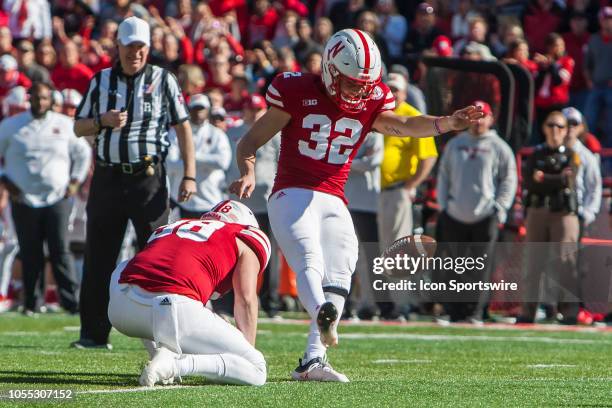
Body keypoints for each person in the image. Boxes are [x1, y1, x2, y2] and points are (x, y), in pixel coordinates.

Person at [230, 28, 483, 382]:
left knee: (342, 267)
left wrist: (447, 123)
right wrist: (248, 171)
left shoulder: (371, 97)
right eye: (352, 82)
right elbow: (250, 142)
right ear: (332, 70)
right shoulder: (297, 90)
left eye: (365, 84)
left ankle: (312, 359)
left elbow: (405, 125)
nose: (360, 90)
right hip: (292, 191)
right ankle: (322, 313)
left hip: (333, 196)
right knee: (309, 259)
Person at [72, 16, 196, 349]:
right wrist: (102, 121)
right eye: (129, 47)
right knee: (99, 257)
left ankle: (165, 335)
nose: (135, 54)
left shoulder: (163, 80)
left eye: (141, 47)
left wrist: (189, 174)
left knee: (157, 256)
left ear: (148, 47)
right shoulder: (100, 81)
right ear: (119, 47)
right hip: (109, 177)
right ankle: (93, 335)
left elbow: (183, 127)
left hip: (149, 179)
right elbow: (78, 127)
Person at [108, 200, 270, 387]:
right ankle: (176, 365)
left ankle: (159, 353)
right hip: (172, 309)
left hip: (121, 311)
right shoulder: (244, 234)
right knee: (256, 369)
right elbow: (246, 299)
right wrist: (245, 352)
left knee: (126, 268)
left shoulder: (173, 226)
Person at [0, 81, 91, 315]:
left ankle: (71, 302)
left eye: (44, 98)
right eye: (36, 98)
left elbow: (83, 153)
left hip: (57, 198)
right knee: (30, 251)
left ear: (51, 100)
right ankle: (31, 302)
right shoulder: (11, 126)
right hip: (23, 199)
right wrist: (5, 180)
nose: (40, 102)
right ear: (28, 98)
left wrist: (74, 182)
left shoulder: (64, 124)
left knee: (60, 250)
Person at [436, 101, 517, 322]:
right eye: (476, 116)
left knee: (480, 267)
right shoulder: (456, 144)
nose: (479, 121)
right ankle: (453, 311)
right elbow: (444, 175)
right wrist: (444, 205)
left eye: (484, 116)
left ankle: (474, 312)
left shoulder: (499, 147)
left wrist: (499, 208)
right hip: (455, 213)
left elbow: (508, 180)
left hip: (484, 215)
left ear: (491, 119)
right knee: (453, 265)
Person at [518, 111, 580, 324]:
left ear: (566, 130)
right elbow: (529, 181)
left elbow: (569, 180)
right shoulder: (536, 154)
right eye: (551, 125)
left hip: (563, 212)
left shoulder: (572, 154)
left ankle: (570, 312)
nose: (555, 130)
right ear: (544, 128)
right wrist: (555, 178)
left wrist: (545, 177)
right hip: (538, 210)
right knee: (533, 262)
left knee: (566, 262)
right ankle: (528, 312)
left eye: (560, 126)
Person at [167, 94, 231, 219]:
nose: (198, 112)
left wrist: (189, 157)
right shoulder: (176, 132)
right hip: (181, 201)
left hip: (211, 199)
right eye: (195, 108)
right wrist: (207, 163)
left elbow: (223, 162)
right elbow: (170, 164)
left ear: (208, 110)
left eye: (201, 108)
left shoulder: (217, 134)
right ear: (188, 110)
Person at [562, 107, 601, 230]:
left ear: (581, 127)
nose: (571, 127)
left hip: (576, 215)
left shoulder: (587, 157)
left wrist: (587, 214)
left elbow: (594, 187)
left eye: (575, 123)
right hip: (551, 214)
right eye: (567, 123)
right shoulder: (546, 151)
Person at [584, 7, 612, 147]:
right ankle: (592, 150)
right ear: (600, 21)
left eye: (610, 19)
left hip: (610, 87)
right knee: (590, 121)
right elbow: (587, 64)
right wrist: (589, 80)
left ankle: (609, 158)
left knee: (610, 125)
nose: (608, 22)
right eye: (605, 19)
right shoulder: (594, 39)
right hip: (596, 85)